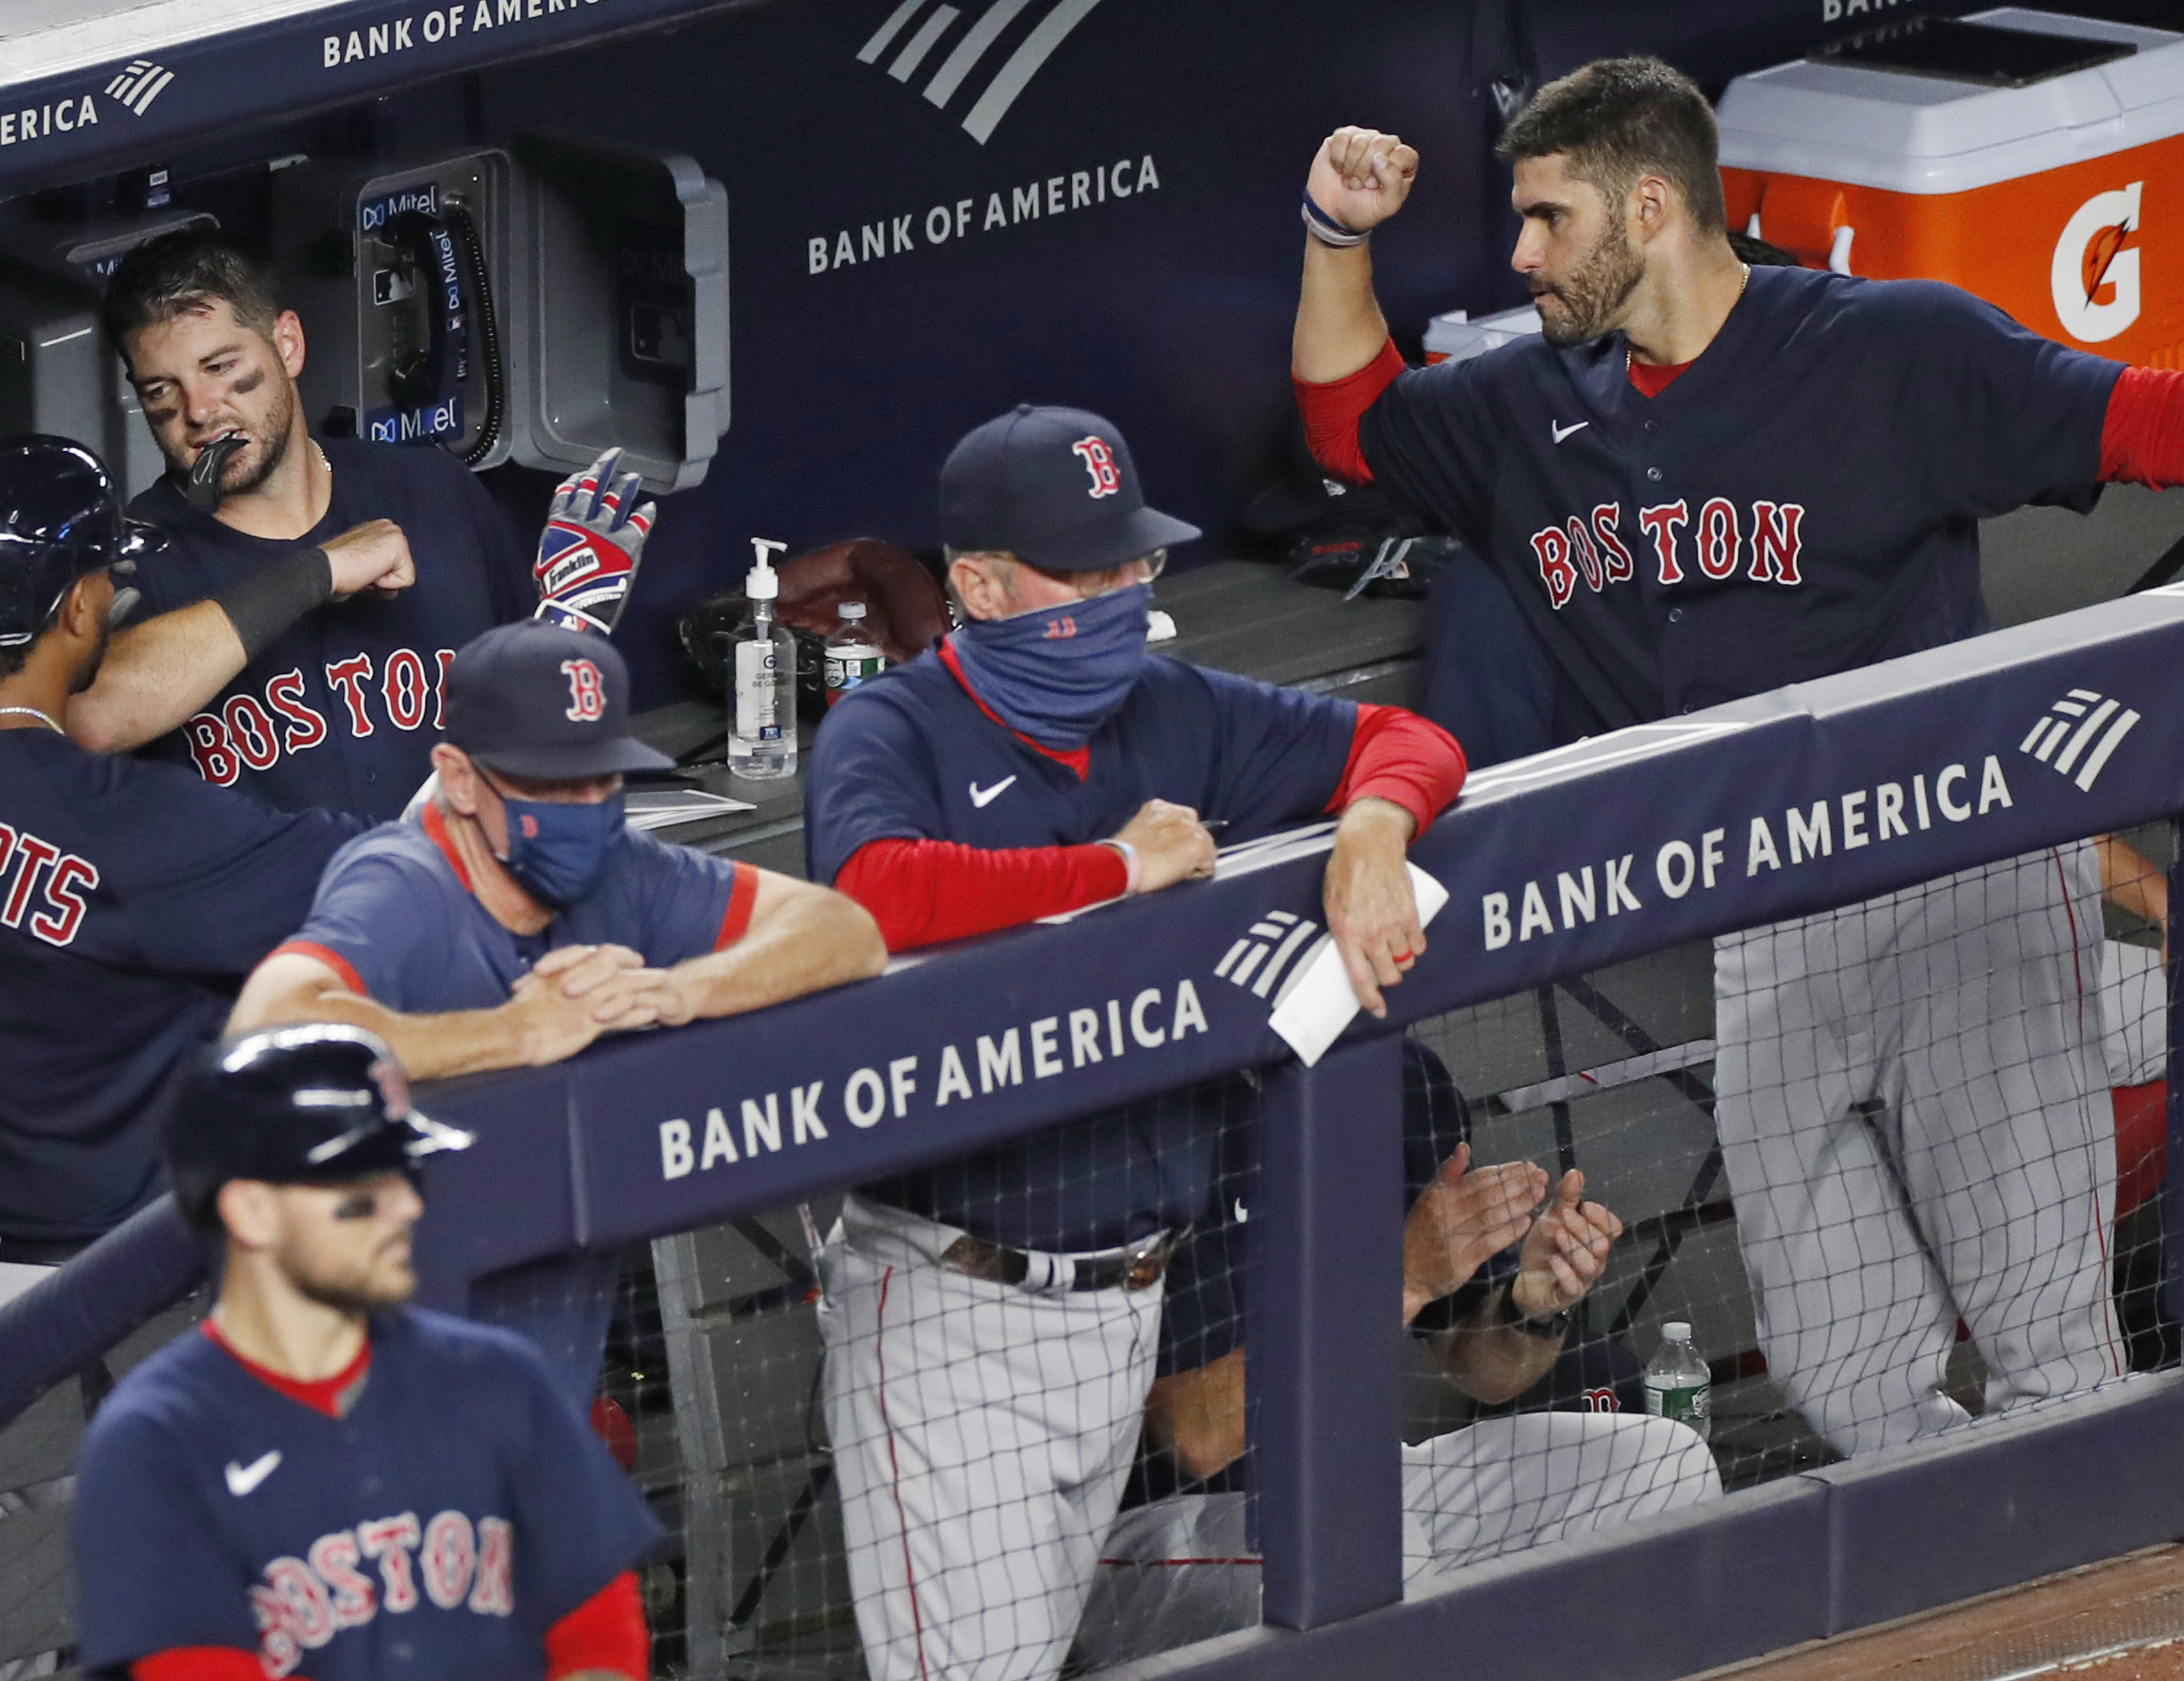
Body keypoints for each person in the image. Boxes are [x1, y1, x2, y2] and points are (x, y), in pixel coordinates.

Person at [1288, 57, 2150, 1457]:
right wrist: (1339, 237)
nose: (1519, 253)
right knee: (1844, 1372)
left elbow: (2134, 420)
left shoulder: (1893, 347)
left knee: (2050, 1344)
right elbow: (1350, 427)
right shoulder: (1530, 406)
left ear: (1650, 208)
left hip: (1959, 884)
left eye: (1548, 219)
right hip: (1763, 925)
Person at [799, 403, 1467, 1681]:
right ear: (981, 585)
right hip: (954, 1302)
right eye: (1084, 570)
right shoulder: (892, 731)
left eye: (1134, 563)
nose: (1119, 595)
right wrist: (1112, 866)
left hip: (1128, 1310)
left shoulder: (1173, 706)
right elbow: (875, 886)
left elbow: (1408, 737)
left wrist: (1373, 831)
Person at [0, 438, 367, 1382]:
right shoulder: (129, 826)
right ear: (78, 609)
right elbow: (401, 873)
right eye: (102, 577)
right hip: (71, 1318)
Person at [228, 618, 886, 1397]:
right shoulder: (405, 883)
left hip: (538, 1393)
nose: (585, 808)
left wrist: (682, 988)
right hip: (364, 1404)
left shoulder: (622, 871)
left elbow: (845, 930)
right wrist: (515, 1032)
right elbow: (266, 1028)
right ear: (460, 778)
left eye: (602, 780)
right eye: (552, 784)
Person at [74, 1021, 658, 1681]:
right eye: (363, 1189)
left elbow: (599, 1634)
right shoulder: (156, 1444)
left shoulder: (501, 1379)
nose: (408, 1204)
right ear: (252, 1212)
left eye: (406, 1174)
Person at [1131, 1041, 1713, 1598]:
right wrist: (1397, 1278)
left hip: (1360, 1482)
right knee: (1374, 1551)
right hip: (1160, 1526)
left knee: (1665, 1463)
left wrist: (1533, 1310)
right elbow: (1192, 1435)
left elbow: (1482, 1369)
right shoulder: (1171, 1094)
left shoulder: (1396, 1079)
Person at [101, 229, 641, 814]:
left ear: (287, 345)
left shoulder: (433, 493)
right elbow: (94, 715)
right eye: (162, 390)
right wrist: (318, 572)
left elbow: (537, 733)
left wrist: (568, 629)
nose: (199, 411)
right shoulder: (133, 554)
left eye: (220, 366)